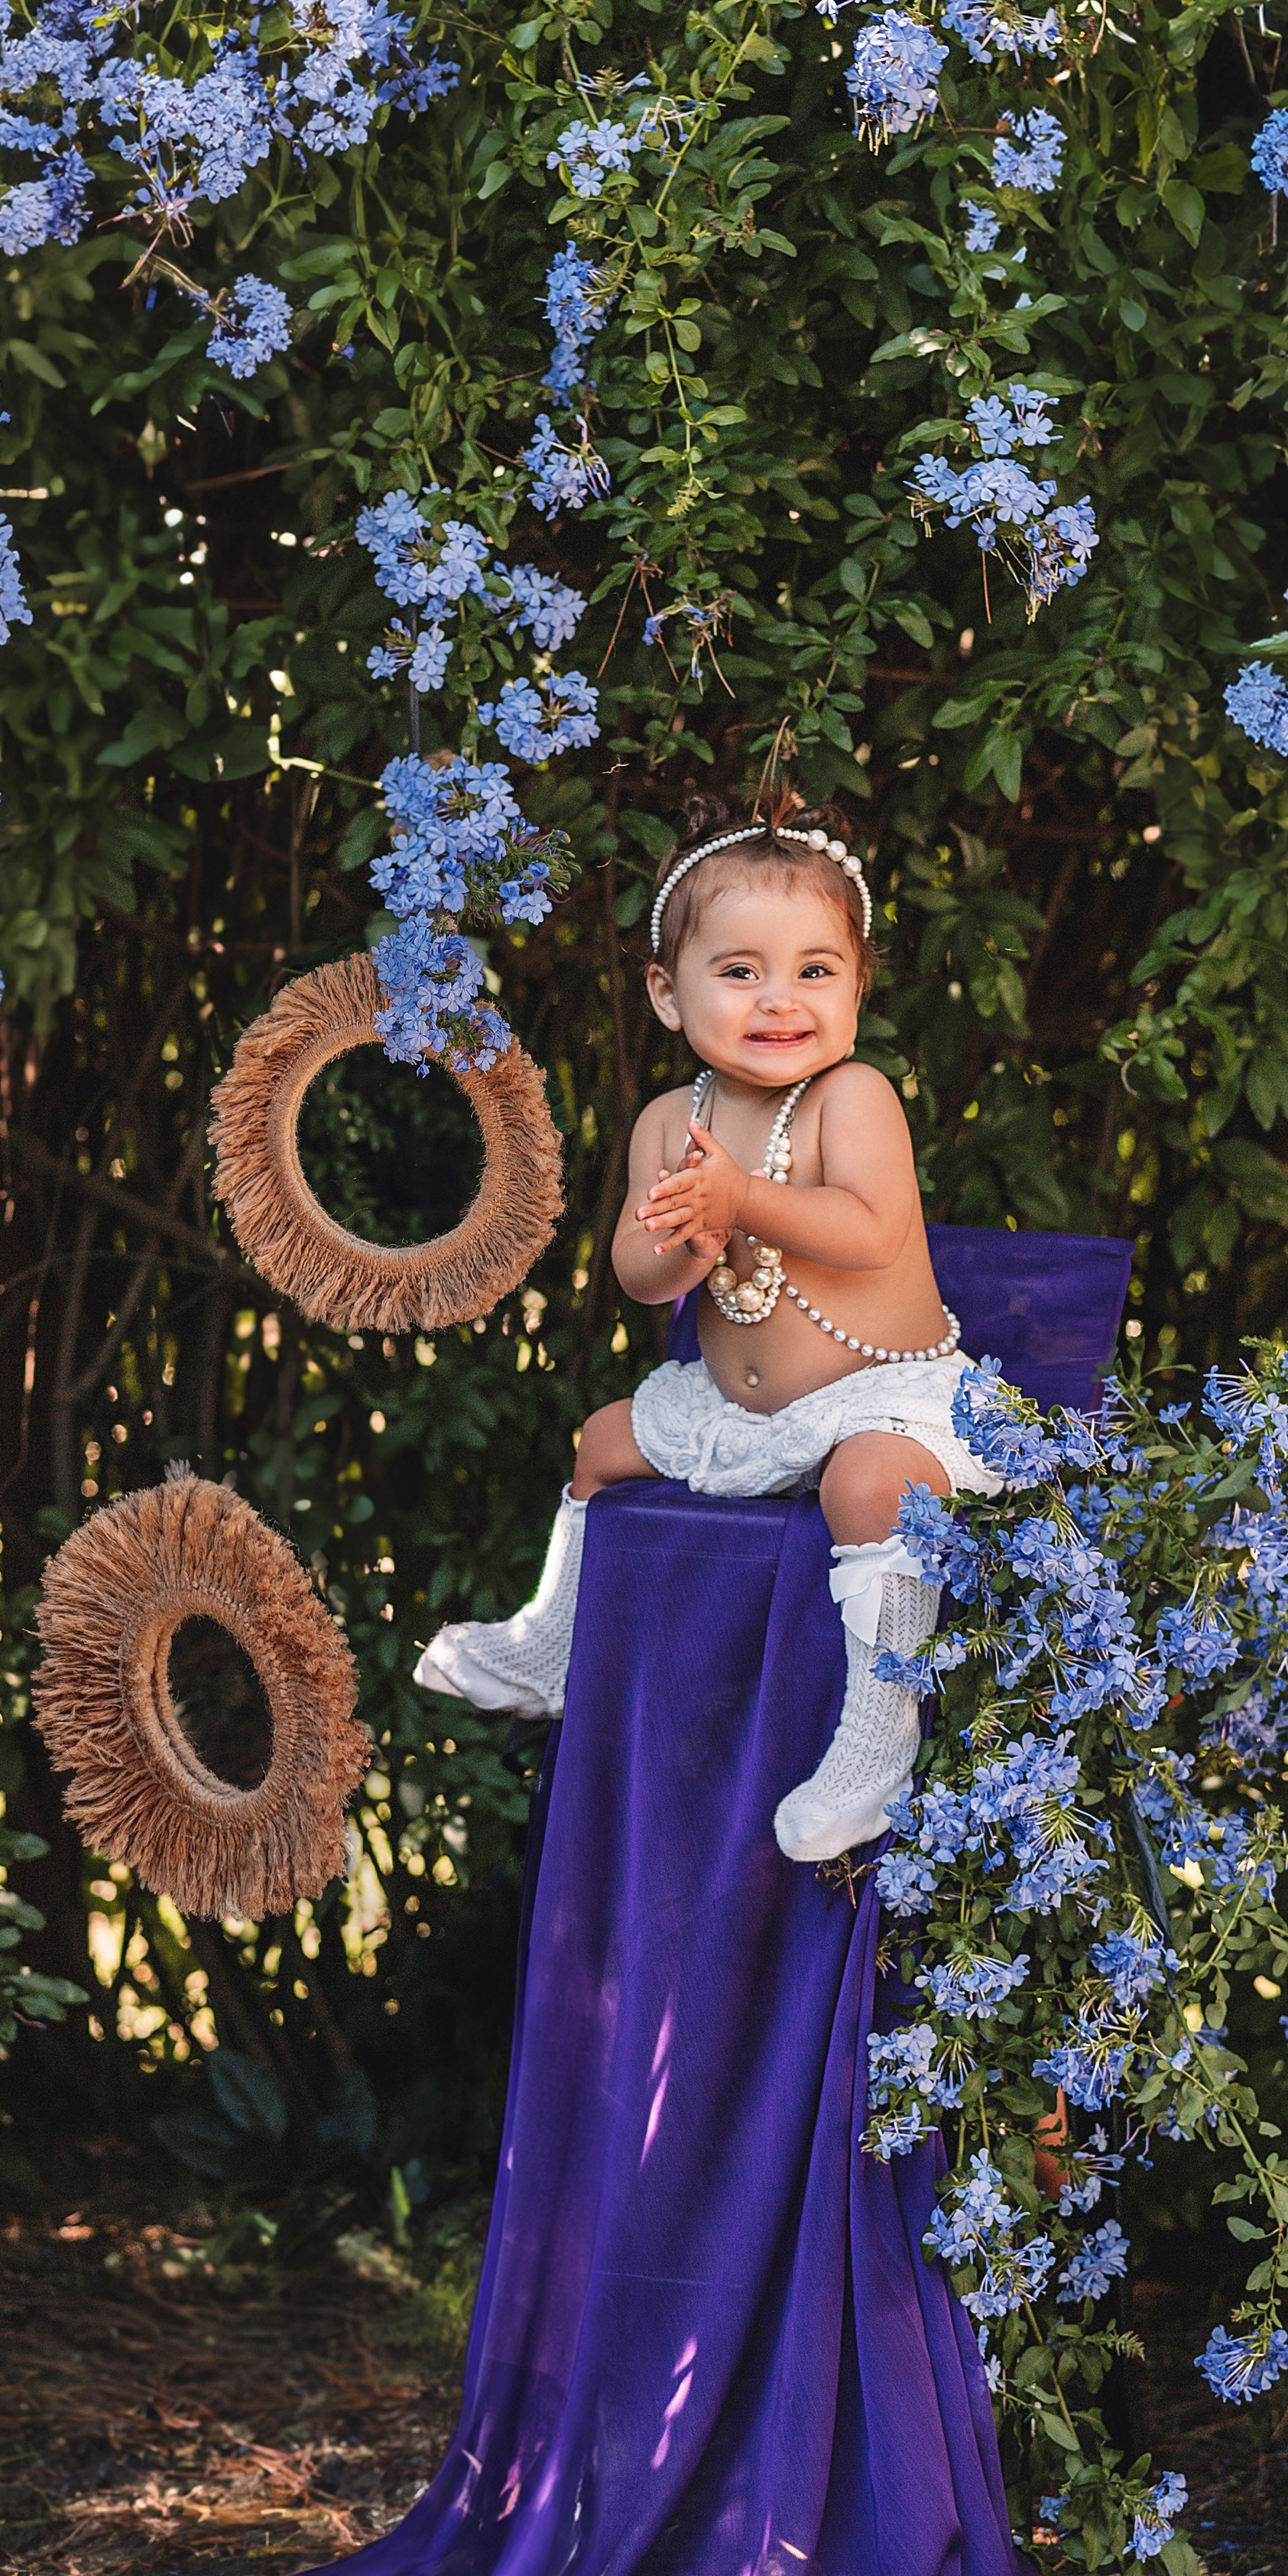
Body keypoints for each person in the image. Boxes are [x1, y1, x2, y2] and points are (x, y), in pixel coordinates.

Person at [414, 797, 1000, 1863]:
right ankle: (551, 1646)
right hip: (736, 1410)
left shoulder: (853, 1098)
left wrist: (740, 1203)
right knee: (601, 1443)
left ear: (859, 987)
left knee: (867, 1488)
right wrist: (686, 1236)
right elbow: (641, 1277)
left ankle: (878, 1741)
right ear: (667, 994)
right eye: (740, 972)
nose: (781, 1000)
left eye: (818, 972)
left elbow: (869, 1232)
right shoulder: (665, 1123)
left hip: (884, 1392)